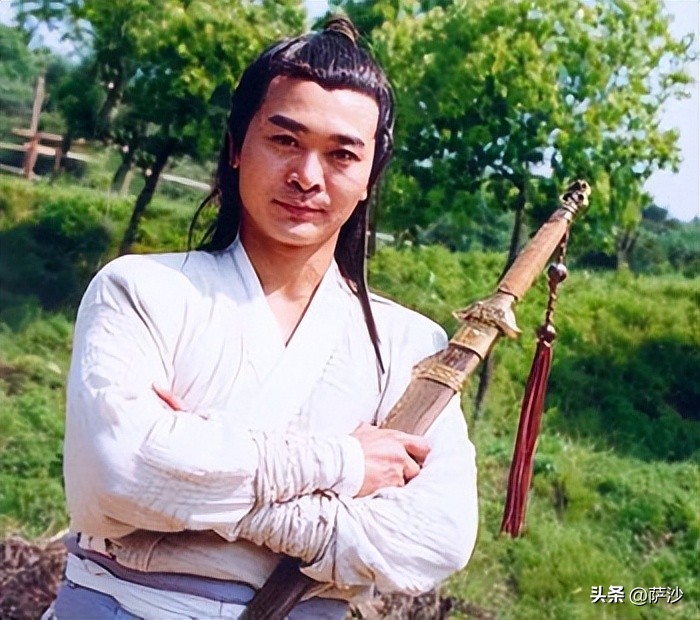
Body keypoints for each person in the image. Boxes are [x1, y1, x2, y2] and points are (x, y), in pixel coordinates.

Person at [47, 16, 478, 620]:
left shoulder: (408, 345)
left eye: (342, 154)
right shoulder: (143, 292)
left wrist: (192, 484)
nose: (307, 176)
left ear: (370, 176)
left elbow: (436, 538)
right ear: (235, 147)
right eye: (284, 140)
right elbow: (119, 473)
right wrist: (345, 464)